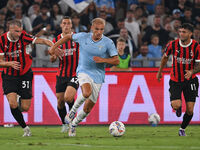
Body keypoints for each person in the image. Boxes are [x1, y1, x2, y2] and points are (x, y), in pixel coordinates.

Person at [50, 18, 119, 137]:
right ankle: (72, 112)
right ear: (92, 28)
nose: (99, 32)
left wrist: (103, 60)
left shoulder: (108, 42)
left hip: (98, 76)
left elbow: (116, 60)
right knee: (86, 93)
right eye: (96, 29)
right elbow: (67, 37)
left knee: (87, 109)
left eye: (101, 29)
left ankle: (73, 125)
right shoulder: (83, 37)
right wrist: (53, 47)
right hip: (82, 72)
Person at [0, 19, 60, 137]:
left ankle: (18, 101)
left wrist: (54, 47)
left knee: (25, 107)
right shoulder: (1, 40)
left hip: (25, 73)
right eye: (16, 31)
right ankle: (25, 128)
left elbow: (43, 40)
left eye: (20, 31)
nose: (19, 34)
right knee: (12, 104)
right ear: (10, 29)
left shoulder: (23, 36)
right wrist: (9, 64)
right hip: (9, 75)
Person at [156, 23, 200, 136]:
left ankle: (182, 129)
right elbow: (164, 58)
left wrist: (192, 72)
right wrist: (160, 72)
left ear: (190, 33)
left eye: (184, 32)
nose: (181, 34)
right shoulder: (173, 44)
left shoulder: (196, 47)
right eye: (180, 31)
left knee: (190, 110)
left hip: (191, 80)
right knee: (176, 105)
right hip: (175, 79)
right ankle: (178, 107)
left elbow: (199, 65)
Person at [50, 16, 79, 133]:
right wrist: (54, 56)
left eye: (68, 23)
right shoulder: (55, 40)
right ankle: (64, 123)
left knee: (69, 97)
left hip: (75, 74)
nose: (66, 25)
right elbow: (52, 59)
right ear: (61, 25)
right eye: (64, 23)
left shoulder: (77, 38)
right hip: (61, 74)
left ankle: (72, 124)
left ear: (71, 26)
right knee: (60, 102)